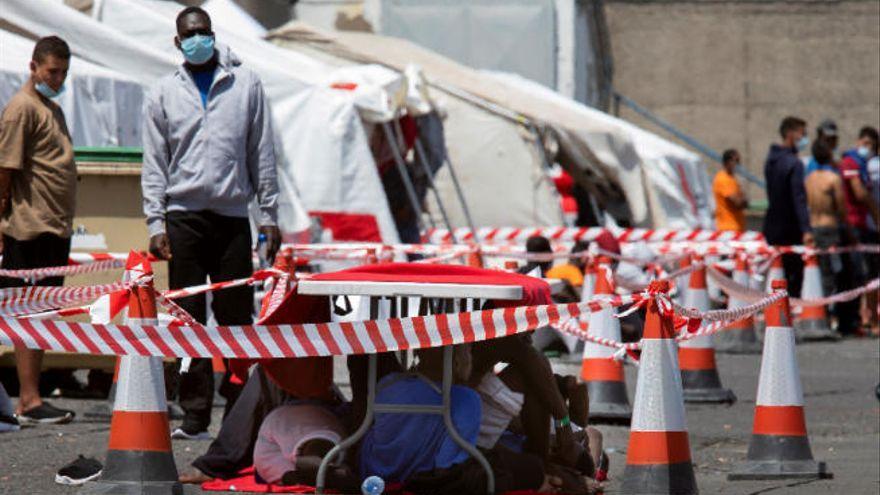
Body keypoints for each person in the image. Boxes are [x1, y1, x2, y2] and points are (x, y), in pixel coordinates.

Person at [141, 6, 281, 439]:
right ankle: (195, 412)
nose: (198, 39)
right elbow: (155, 163)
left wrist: (270, 215)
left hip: (232, 218)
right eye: (190, 34)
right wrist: (155, 223)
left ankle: (240, 410)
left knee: (236, 317)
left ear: (214, 35)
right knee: (188, 319)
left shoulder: (246, 84)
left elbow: (262, 153)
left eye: (204, 32)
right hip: (184, 219)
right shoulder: (162, 93)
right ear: (177, 42)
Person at [0, 36, 77, 425]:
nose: (58, 78)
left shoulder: (53, 109)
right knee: (28, 314)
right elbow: (5, 171)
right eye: (52, 71)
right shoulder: (21, 109)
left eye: (63, 72)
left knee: (45, 313)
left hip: (54, 228)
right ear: (33, 67)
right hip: (28, 229)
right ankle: (28, 399)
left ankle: (35, 396)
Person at [804, 140, 860, 335]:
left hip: (814, 225)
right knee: (835, 273)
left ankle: (823, 314)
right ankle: (832, 317)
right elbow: (842, 209)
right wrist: (850, 232)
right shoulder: (832, 178)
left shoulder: (809, 178)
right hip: (830, 228)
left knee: (819, 272)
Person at [762, 116, 814, 297]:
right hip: (791, 229)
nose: (805, 138)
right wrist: (806, 229)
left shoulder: (771, 160)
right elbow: (798, 198)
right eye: (803, 134)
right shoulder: (794, 163)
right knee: (794, 276)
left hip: (773, 227)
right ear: (791, 135)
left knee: (776, 273)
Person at [839, 127, 879, 335]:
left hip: (864, 226)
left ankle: (868, 319)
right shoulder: (851, 162)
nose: (867, 148)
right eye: (865, 143)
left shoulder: (863, 166)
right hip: (855, 226)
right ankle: (858, 320)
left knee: (870, 276)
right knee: (858, 275)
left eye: (871, 145)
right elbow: (860, 193)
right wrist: (877, 217)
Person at [713, 149, 749, 231]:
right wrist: (743, 199)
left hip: (737, 227)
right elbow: (737, 203)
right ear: (727, 162)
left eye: (739, 161)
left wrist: (743, 199)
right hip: (727, 228)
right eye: (736, 161)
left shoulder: (733, 179)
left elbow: (745, 203)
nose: (738, 164)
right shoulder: (723, 179)